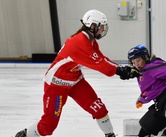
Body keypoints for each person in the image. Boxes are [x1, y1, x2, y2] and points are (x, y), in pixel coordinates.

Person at [14, 9, 136, 137]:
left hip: (76, 81)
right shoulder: (79, 42)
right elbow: (101, 64)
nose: (103, 29)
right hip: (56, 85)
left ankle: (110, 135)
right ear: (92, 26)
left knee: (99, 108)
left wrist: (123, 68)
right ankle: (24, 135)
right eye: (101, 26)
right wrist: (121, 71)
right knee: (48, 126)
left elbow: (102, 59)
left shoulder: (91, 41)